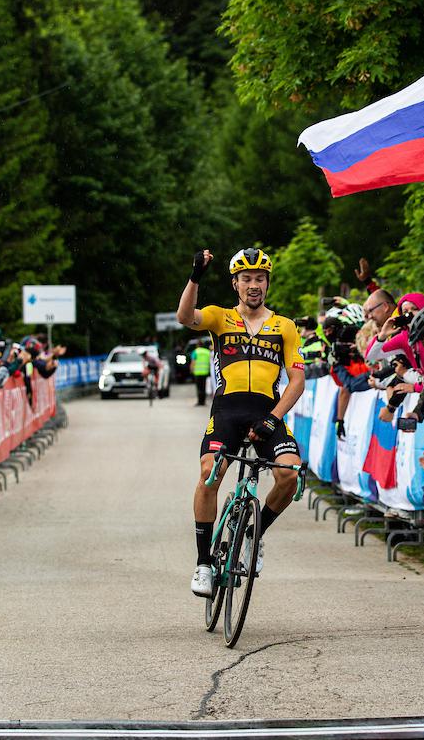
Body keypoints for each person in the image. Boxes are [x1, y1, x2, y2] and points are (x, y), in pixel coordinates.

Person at [176, 247, 304, 598]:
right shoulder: (220, 317)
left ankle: (253, 535)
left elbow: (297, 381)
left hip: (267, 413)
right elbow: (185, 316)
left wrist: (272, 418)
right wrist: (196, 276)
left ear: (267, 283)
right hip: (227, 412)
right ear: (235, 284)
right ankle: (204, 563)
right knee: (210, 473)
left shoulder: (285, 326)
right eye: (246, 279)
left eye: (259, 279)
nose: (253, 285)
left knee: (290, 474)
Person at [190, 339, 212, 406]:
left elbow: (193, 362)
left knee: (199, 388)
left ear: (197, 345)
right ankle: (203, 401)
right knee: (204, 387)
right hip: (205, 372)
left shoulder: (195, 352)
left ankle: (200, 402)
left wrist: (191, 369)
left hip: (197, 372)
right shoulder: (207, 352)